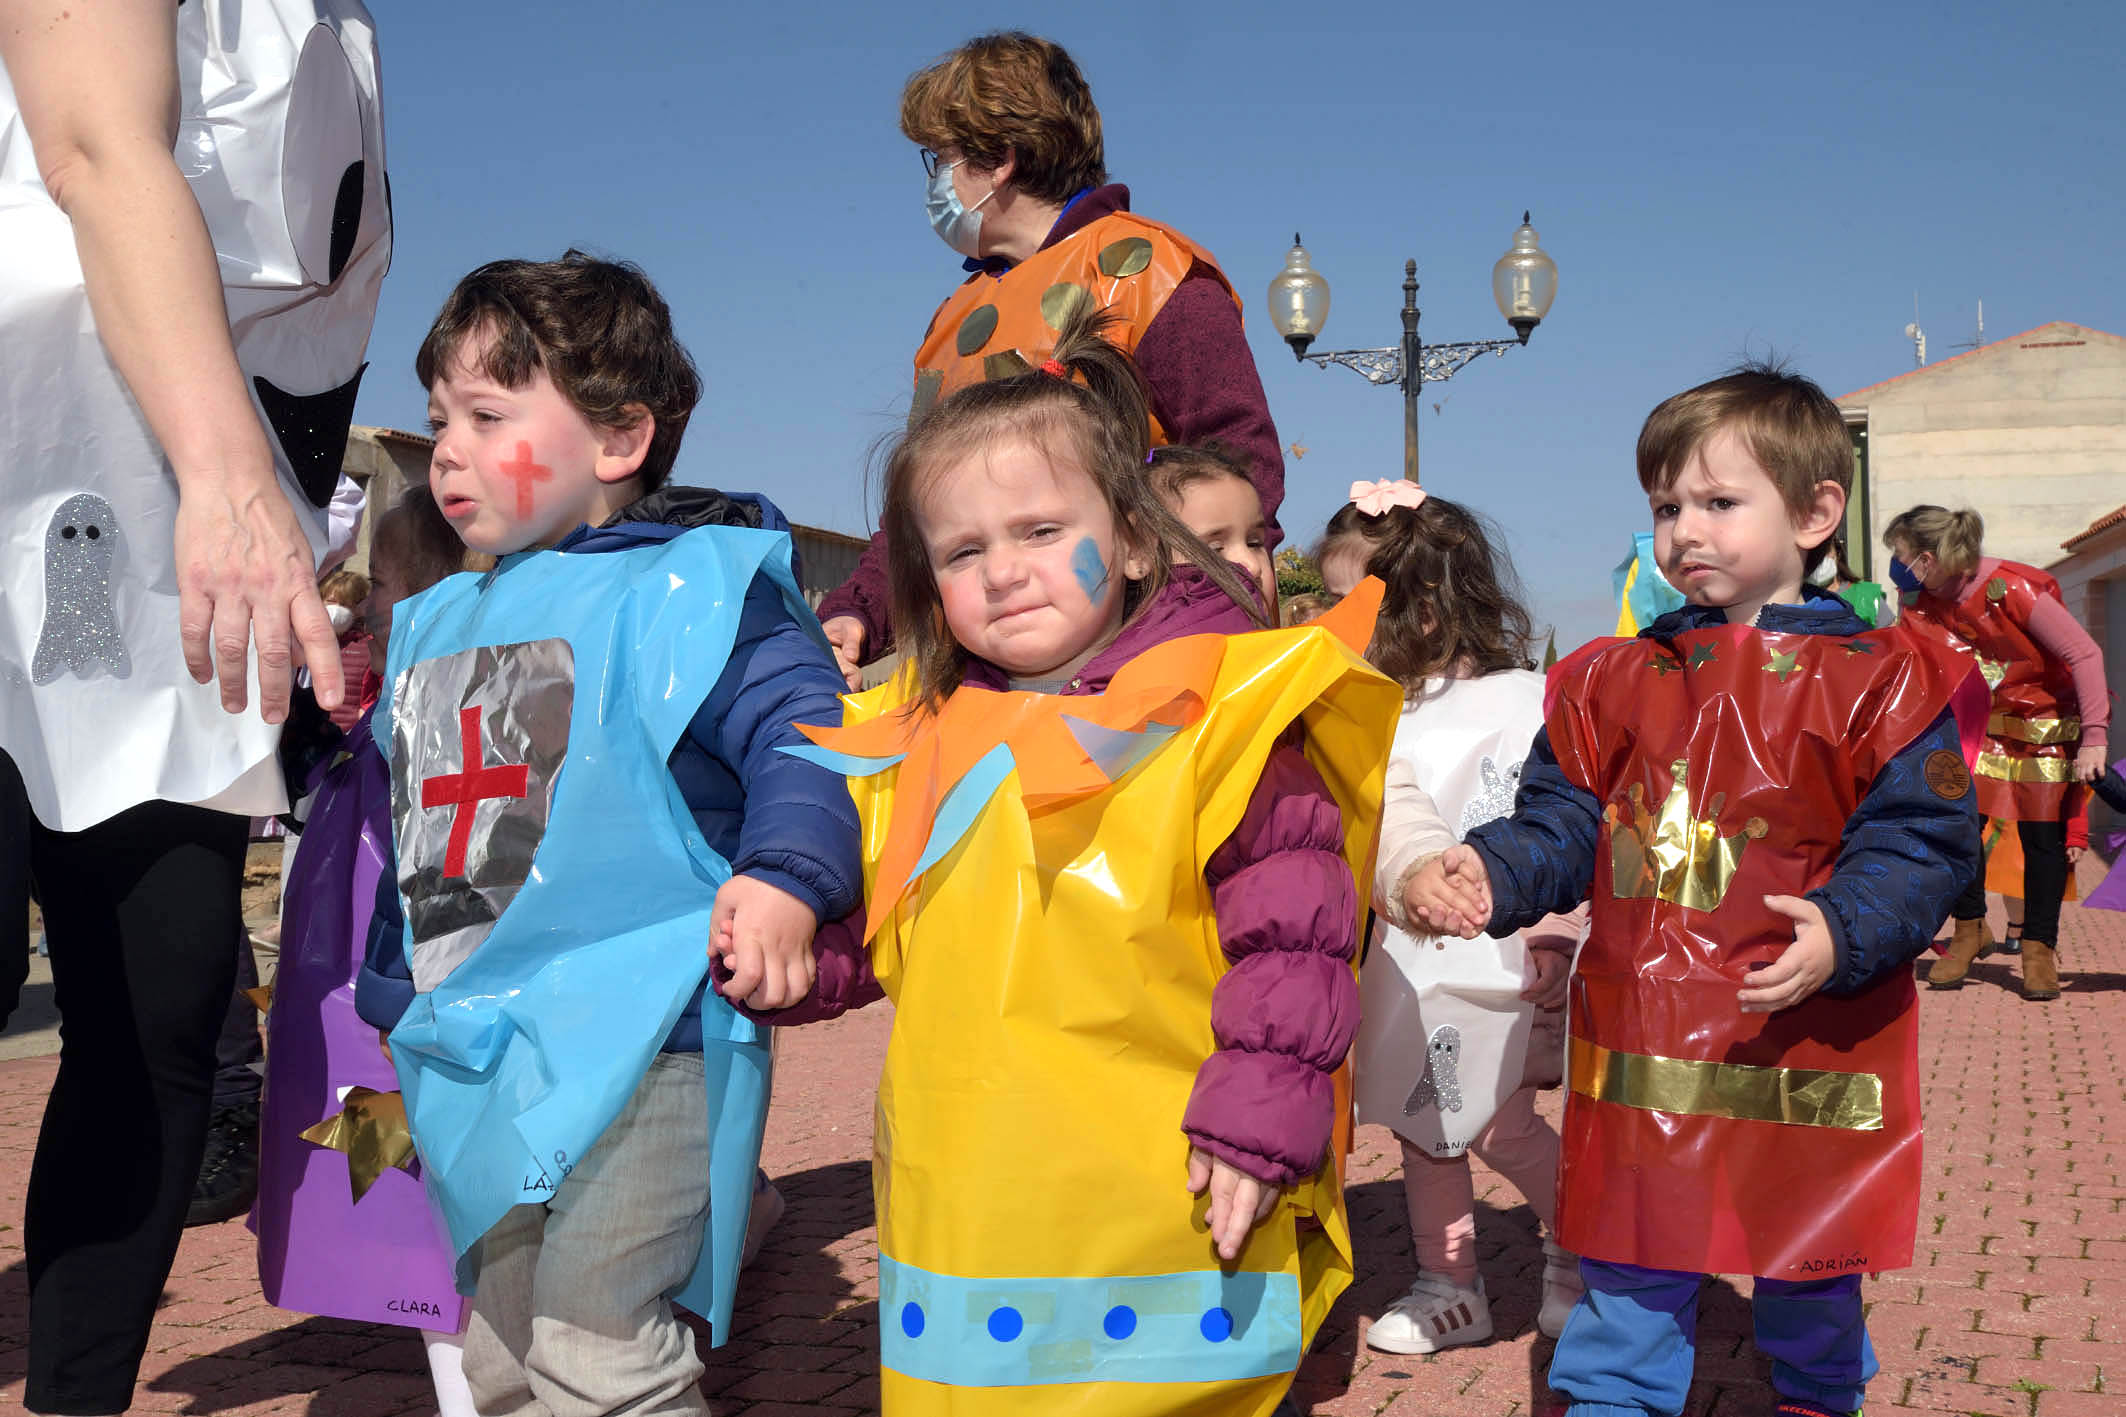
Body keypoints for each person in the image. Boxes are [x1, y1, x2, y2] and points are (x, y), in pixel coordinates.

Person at [734, 307, 1400, 1416]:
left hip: (1167, 1190)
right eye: (960, 550)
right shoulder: (913, 734)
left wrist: (1255, 1122)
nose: (1000, 572)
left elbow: (1296, 941)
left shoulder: (1218, 716)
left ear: (1135, 540)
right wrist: (793, 952)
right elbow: (895, 930)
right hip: (970, 1203)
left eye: (1040, 530)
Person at [1405, 364, 1983, 1417]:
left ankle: (1816, 1394)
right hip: (1647, 1043)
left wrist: (1846, 928)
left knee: (1808, 1264)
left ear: (1815, 511)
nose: (1683, 530)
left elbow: (1924, 839)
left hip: (1803, 1031)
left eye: (1718, 502)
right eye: (1665, 506)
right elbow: (1563, 818)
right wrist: (1490, 867)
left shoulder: (1885, 677)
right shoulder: (1609, 679)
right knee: (1629, 1266)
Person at [353, 251, 861, 1417]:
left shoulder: (701, 590)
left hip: (653, 1044)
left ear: (619, 439)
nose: (448, 449)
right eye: (441, 418)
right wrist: (392, 996)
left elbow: (804, 736)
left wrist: (789, 876)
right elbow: (424, 829)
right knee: (499, 1347)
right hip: (483, 1053)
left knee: (599, 1334)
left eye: (489, 415)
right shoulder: (437, 621)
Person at [0, 3, 390, 1409]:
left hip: (163, 557)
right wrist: (230, 474)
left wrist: (287, 509)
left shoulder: (336, 31)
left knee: (162, 1000)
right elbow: (95, 145)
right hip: (35, 478)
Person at [816, 30, 1284, 686]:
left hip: (1153, 671)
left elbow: (1241, 464)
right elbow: (923, 511)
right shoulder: (951, 320)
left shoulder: (1150, 270)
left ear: (999, 158)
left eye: (941, 158)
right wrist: (857, 612)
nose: (937, 182)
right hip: (982, 679)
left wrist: (1191, 629)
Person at [1314, 483, 1584, 1352]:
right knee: (1422, 1127)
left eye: (1349, 597)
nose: (1331, 616)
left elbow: (1566, 820)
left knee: (1502, 1123)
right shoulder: (1363, 703)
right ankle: (1449, 1282)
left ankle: (1581, 1244)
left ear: (1423, 608)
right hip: (1401, 962)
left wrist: (1556, 930)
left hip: (1502, 961)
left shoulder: (1529, 699)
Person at [252, 486, 488, 1417]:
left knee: (440, 1242)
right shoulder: (399, 699)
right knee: (430, 1235)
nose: (366, 601)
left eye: (383, 581)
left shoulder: (433, 706)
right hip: (376, 1004)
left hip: (398, 1006)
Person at [1884, 505, 2110, 1000]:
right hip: (1981, 729)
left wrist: (2095, 736)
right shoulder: (1922, 601)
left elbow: (2084, 654)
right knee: (1961, 827)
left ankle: (2038, 949)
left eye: (1899, 554)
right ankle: (1970, 931)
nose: (1895, 564)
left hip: (2044, 730)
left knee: (2042, 842)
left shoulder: (2011, 588)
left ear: (1926, 556)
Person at [1148, 443, 1277, 615]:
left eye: (1254, 543)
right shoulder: (1151, 642)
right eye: (1215, 549)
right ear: (1141, 556)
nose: (1253, 567)